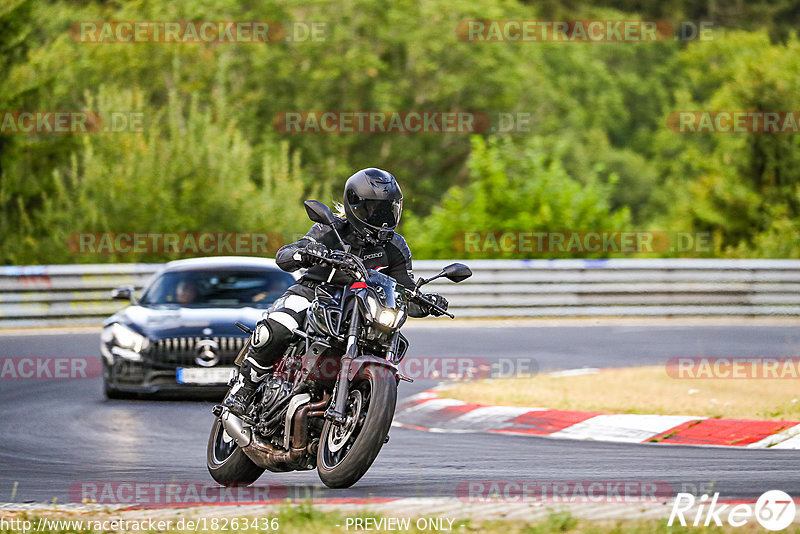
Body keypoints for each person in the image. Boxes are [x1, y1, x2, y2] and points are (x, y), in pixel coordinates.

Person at [223, 168, 448, 416]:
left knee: (384, 338)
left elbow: (403, 286)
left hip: (361, 307)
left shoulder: (395, 246)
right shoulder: (332, 229)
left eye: (387, 209)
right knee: (278, 327)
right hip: (313, 295)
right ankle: (244, 388)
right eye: (373, 209)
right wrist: (305, 252)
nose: (381, 217)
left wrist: (425, 301)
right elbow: (285, 256)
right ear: (355, 206)